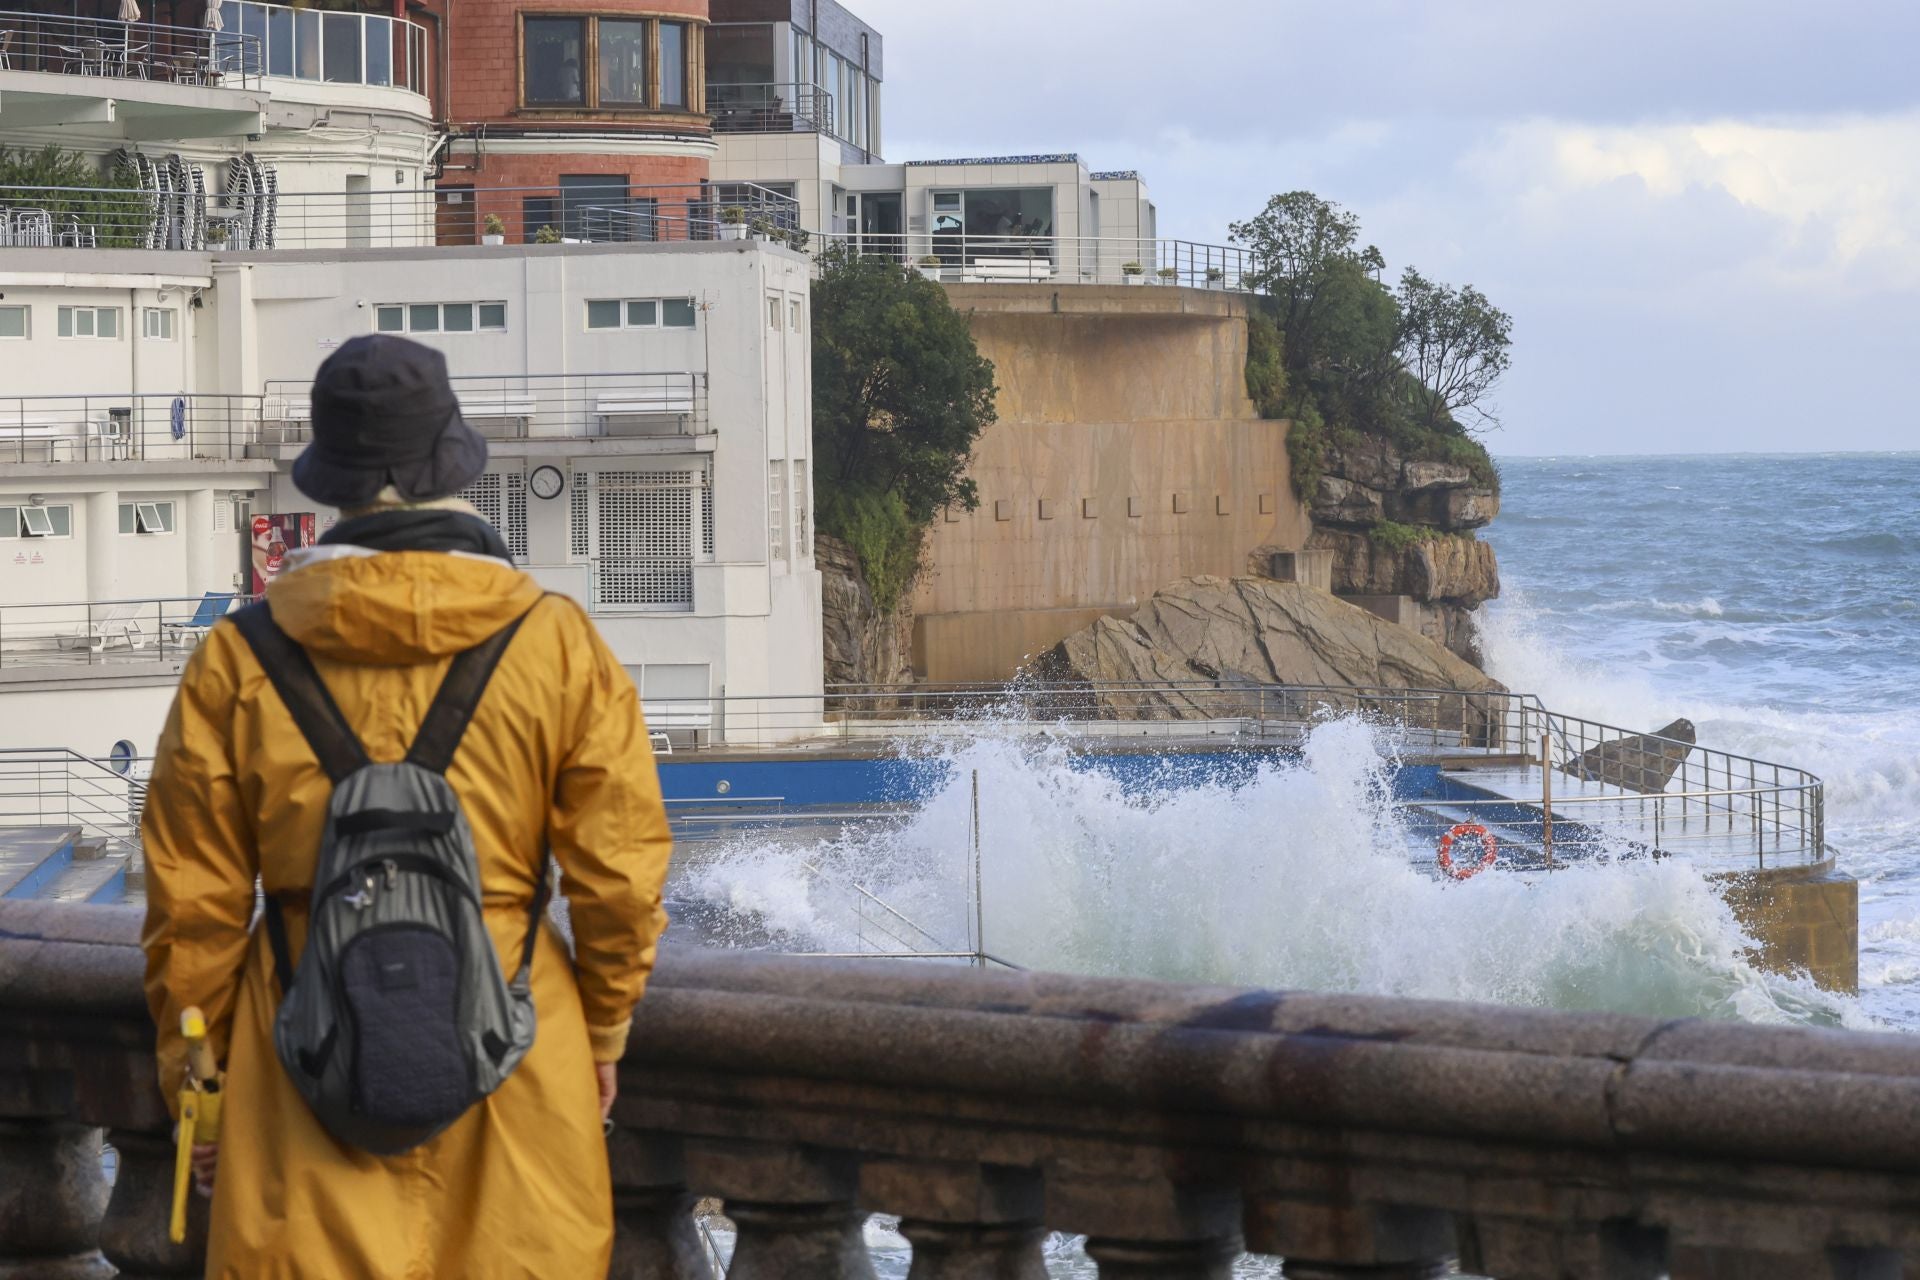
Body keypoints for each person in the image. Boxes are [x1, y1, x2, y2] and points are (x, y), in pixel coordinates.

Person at [140, 334, 673, 1277]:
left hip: (298, 1057)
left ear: (330, 483)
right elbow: (620, 875)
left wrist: (202, 1089)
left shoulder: (238, 658)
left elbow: (194, 908)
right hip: (516, 1044)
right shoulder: (554, 643)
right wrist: (602, 1031)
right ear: (452, 462)